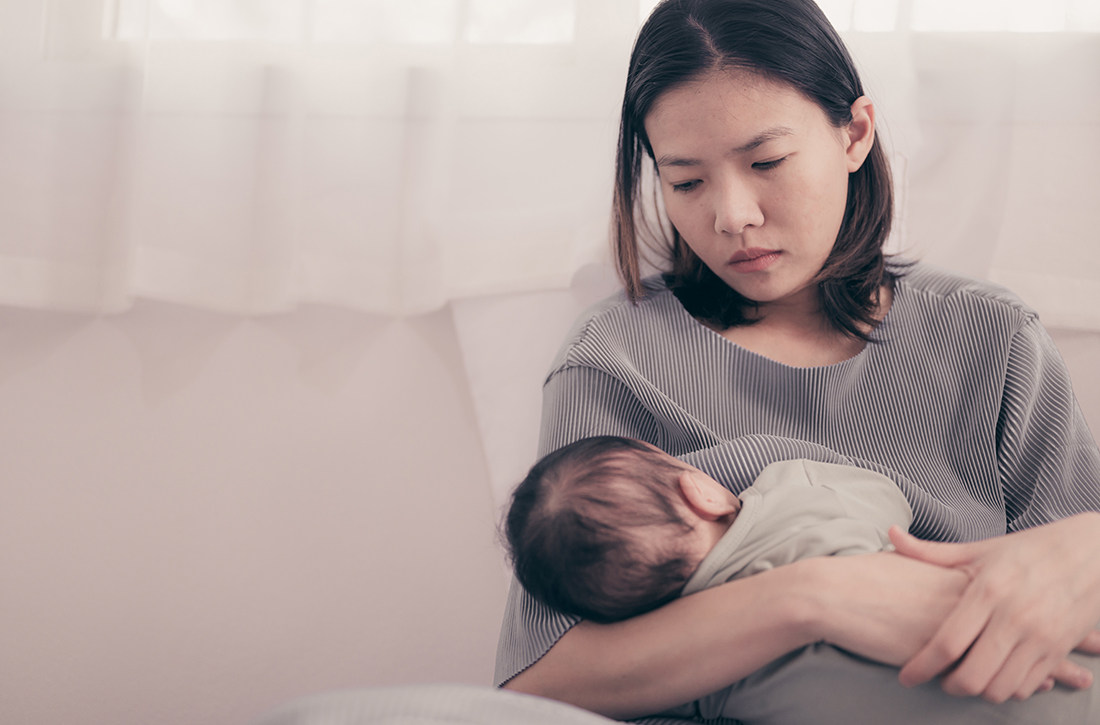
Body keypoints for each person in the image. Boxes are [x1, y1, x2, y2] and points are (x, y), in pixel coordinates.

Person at [494, 0, 1100, 722]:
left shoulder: (990, 335)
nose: (732, 216)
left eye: (767, 162)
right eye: (686, 182)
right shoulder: (615, 358)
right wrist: (813, 598)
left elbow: (1074, 577)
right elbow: (540, 679)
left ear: (855, 134)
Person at [502, 436, 1100, 724]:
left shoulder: (701, 677)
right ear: (702, 489)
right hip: (1046, 671)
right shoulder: (795, 493)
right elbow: (885, 497)